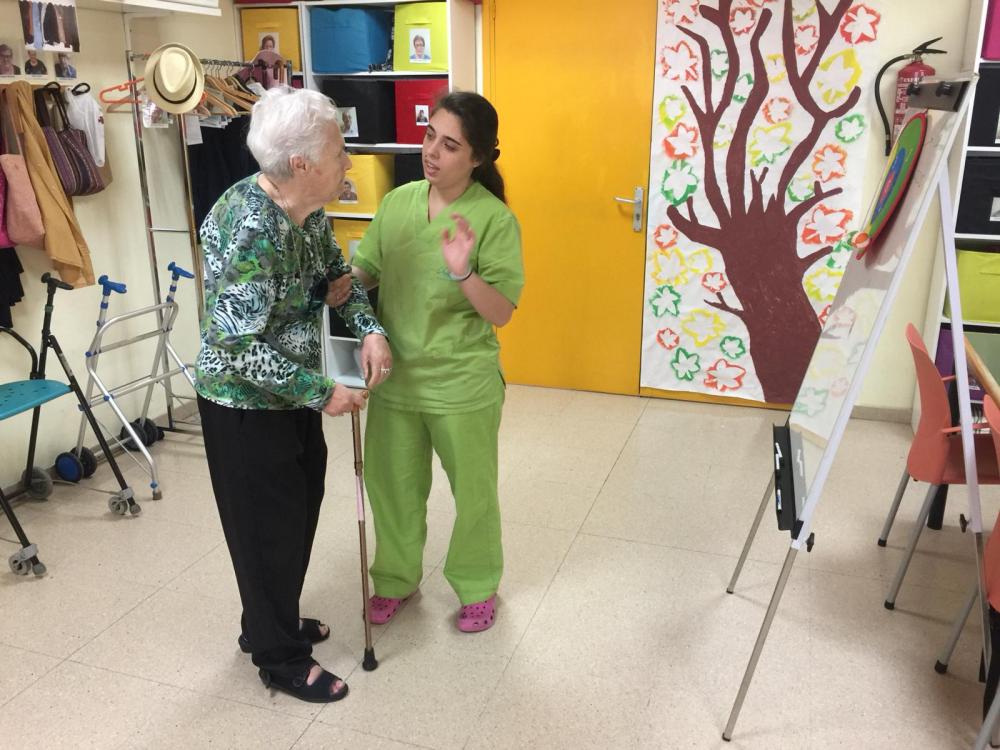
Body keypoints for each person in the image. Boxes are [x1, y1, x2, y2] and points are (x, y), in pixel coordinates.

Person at [195, 86, 393, 703]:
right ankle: (278, 655)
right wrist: (321, 391)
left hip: (291, 396)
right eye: (338, 151)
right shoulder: (256, 226)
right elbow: (233, 343)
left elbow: (339, 280)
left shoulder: (307, 213)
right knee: (266, 530)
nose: (349, 161)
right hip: (244, 404)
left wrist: (371, 330)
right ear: (302, 163)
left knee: (297, 511)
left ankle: (270, 619)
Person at [351, 91, 523, 633]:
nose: (431, 152)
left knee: (473, 494)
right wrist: (333, 281)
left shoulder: (493, 219)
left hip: (461, 382)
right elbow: (367, 270)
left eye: (450, 145)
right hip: (395, 378)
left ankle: (477, 585)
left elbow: (501, 312)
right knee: (392, 488)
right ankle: (396, 578)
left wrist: (463, 272)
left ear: (478, 158)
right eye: (430, 136)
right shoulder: (398, 202)